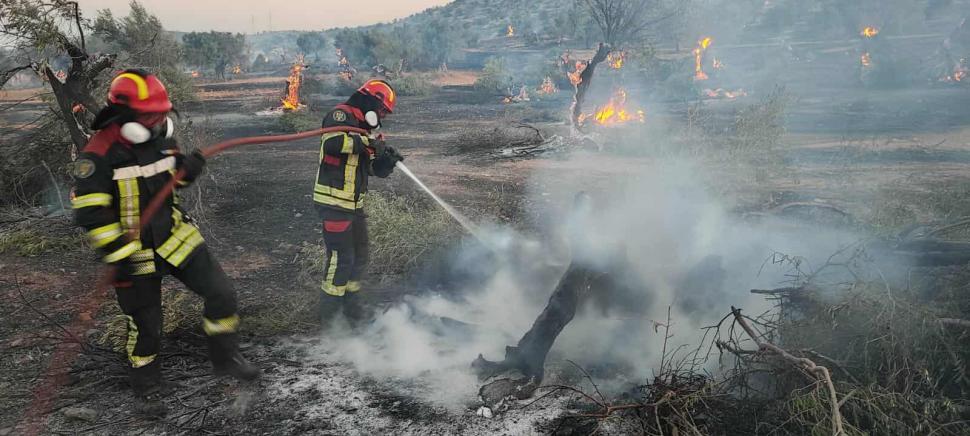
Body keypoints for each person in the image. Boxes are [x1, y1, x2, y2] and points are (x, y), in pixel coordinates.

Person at [71, 69, 259, 417]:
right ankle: (147, 388)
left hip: (174, 235)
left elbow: (172, 182)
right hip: (133, 251)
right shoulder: (96, 156)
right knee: (147, 325)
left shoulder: (160, 138)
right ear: (124, 116)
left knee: (222, 293)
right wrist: (118, 255)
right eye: (150, 115)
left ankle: (225, 357)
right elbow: (90, 213)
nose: (158, 121)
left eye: (161, 114)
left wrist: (188, 170)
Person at [312, 79, 403, 326]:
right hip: (333, 202)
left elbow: (371, 169)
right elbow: (333, 144)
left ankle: (351, 309)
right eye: (382, 110)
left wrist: (386, 162)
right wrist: (368, 143)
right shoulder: (340, 116)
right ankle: (330, 317)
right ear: (370, 101)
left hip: (353, 205)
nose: (383, 115)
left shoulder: (364, 129)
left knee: (360, 255)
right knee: (340, 259)